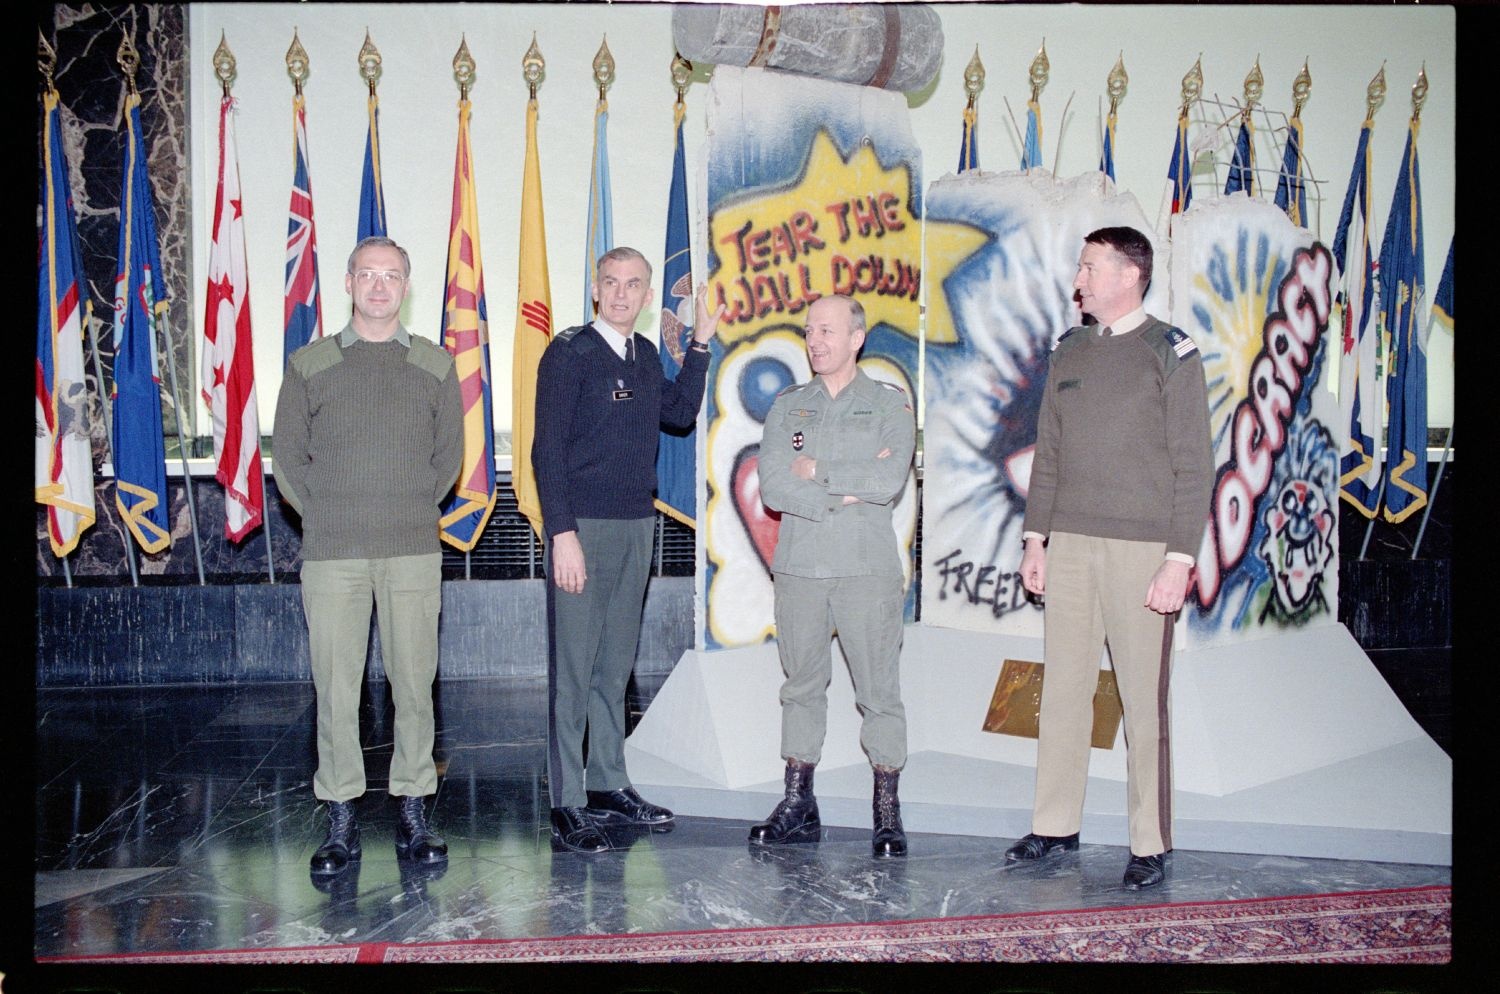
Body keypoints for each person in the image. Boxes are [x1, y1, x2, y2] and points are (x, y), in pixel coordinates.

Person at [1006, 226, 1213, 890]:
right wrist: (1035, 541)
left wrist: (1178, 559)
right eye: (1080, 266)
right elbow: (1050, 457)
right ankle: (1054, 825)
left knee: (1141, 703)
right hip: (1069, 547)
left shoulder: (1170, 352)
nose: (1079, 280)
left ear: (1130, 274)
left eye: (1091, 267)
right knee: (1063, 689)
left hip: (1145, 551)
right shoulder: (1068, 352)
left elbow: (1195, 467)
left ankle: (1149, 842)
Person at [274, 236, 464, 878]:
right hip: (332, 555)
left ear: (406, 287)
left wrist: (406, 508)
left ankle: (413, 808)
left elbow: (448, 463)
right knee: (336, 688)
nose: (379, 287)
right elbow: (288, 462)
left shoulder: (436, 366)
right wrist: (328, 517)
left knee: (415, 685)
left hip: (411, 548)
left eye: (392, 276)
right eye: (368, 275)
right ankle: (341, 817)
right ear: (348, 283)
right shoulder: (309, 364)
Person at [532, 246, 723, 852]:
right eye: (611, 282)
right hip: (581, 531)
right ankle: (566, 802)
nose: (621, 293)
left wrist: (699, 347)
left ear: (646, 297)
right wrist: (561, 533)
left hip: (637, 526)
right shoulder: (568, 353)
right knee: (574, 669)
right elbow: (545, 452)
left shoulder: (642, 357)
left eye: (634, 285)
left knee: (615, 667)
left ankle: (608, 783)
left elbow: (680, 414)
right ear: (595, 289)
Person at [752, 294, 917, 858]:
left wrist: (818, 472)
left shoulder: (890, 404)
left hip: (866, 571)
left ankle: (887, 811)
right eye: (809, 331)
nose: (815, 341)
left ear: (857, 337)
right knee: (800, 687)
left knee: (880, 693)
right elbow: (773, 485)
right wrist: (843, 492)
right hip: (800, 569)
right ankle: (799, 804)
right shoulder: (788, 406)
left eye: (827, 330)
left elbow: (888, 479)